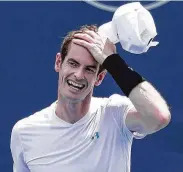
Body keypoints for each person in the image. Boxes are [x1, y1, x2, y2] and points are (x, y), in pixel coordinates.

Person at [10, 25, 171, 172]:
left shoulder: (115, 114)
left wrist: (114, 63)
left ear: (99, 77)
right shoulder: (24, 132)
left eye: (89, 69)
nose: (79, 75)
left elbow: (159, 117)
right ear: (59, 62)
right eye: (73, 64)